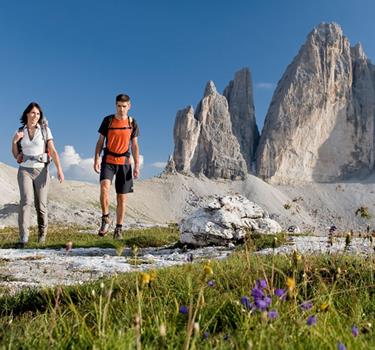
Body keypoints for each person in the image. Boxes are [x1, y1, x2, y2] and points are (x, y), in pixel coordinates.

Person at [11, 102, 64, 248]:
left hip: (41, 170)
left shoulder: (45, 130)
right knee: (25, 202)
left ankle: (42, 236)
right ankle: (24, 238)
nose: (35, 116)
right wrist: (15, 141)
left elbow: (52, 150)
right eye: (33, 113)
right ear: (27, 114)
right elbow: (16, 156)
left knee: (41, 205)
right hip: (24, 170)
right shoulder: (20, 131)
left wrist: (59, 169)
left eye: (38, 114)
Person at [94, 94, 140, 239]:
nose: (121, 109)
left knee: (121, 198)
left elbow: (135, 145)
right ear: (115, 106)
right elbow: (100, 141)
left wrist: (137, 165)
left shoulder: (133, 123)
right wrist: (96, 158)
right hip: (108, 160)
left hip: (124, 162)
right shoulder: (108, 120)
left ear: (129, 106)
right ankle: (105, 218)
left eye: (124, 106)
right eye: (119, 106)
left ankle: (118, 229)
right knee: (104, 187)